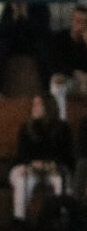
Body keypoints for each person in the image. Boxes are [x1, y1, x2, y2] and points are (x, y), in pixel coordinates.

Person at [10, 92, 73, 221]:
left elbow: (66, 155)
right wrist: (30, 165)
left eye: (39, 105)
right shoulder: (26, 128)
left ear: (48, 107)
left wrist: (52, 165)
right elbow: (22, 155)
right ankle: (20, 219)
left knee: (60, 180)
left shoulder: (62, 128)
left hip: (53, 169)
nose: (34, 108)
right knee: (22, 180)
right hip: (29, 168)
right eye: (34, 105)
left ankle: (62, 218)